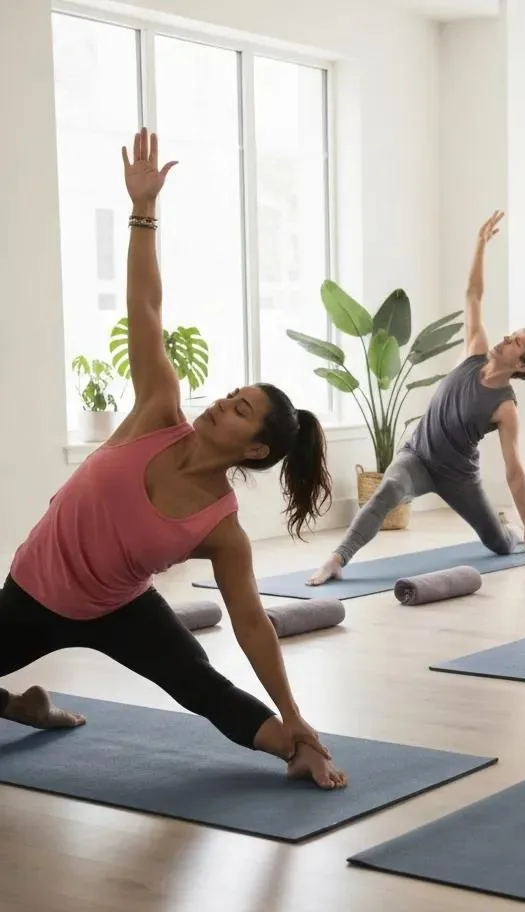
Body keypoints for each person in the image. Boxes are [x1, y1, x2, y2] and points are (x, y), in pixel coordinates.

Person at [0, 129, 346, 791]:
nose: (223, 403)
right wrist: (143, 212)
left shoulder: (221, 528)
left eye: (241, 410)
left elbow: (251, 623)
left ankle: (296, 751)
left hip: (119, 608)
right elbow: (146, 308)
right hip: (33, 594)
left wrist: (294, 715)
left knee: (197, 683)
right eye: (232, 394)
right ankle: (23, 707)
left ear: (254, 449)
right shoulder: (158, 411)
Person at [306, 210, 525, 586]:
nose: (505, 338)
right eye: (512, 334)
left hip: (459, 477)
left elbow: (514, 471)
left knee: (500, 544)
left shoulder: (505, 407)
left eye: (515, 342)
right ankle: (338, 558)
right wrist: (480, 245)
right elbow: (473, 295)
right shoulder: (475, 349)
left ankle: (512, 532)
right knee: (389, 488)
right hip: (417, 457)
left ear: (522, 366)